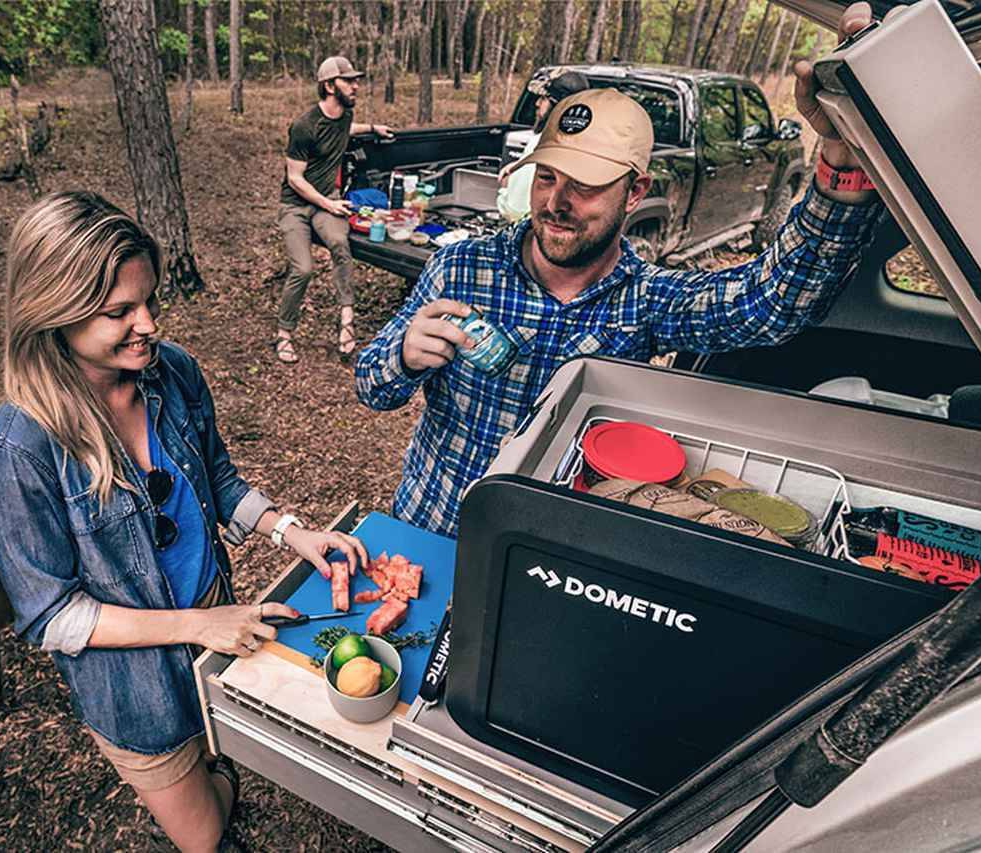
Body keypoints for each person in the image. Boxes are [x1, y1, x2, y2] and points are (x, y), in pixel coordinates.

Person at [355, 4, 884, 538]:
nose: (556, 202)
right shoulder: (460, 267)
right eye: (546, 177)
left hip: (543, 549)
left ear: (634, 192)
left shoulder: (645, 301)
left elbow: (773, 302)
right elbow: (371, 386)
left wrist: (840, 167)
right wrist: (401, 356)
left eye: (584, 185)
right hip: (432, 525)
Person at [0, 191, 368, 851]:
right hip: (135, 684)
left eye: (150, 300)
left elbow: (217, 482)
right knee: (206, 832)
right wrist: (196, 624)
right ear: (53, 314)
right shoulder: (19, 454)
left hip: (215, 622)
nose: (148, 323)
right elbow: (54, 617)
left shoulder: (172, 372)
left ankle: (212, 768)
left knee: (218, 748)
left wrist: (293, 532)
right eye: (119, 311)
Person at [275, 55, 393, 364]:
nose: (356, 86)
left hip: (326, 202)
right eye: (349, 81)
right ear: (329, 86)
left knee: (341, 244)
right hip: (296, 206)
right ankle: (284, 333)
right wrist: (328, 203)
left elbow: (347, 129)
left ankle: (346, 321)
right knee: (303, 269)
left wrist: (374, 127)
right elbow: (295, 179)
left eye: (356, 80)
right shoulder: (303, 126)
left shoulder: (342, 117)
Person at [496, 67, 592, 223]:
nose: (537, 103)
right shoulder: (589, 144)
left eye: (544, 98)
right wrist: (520, 165)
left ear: (556, 105)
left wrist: (506, 187)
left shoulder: (542, 142)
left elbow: (515, 210)